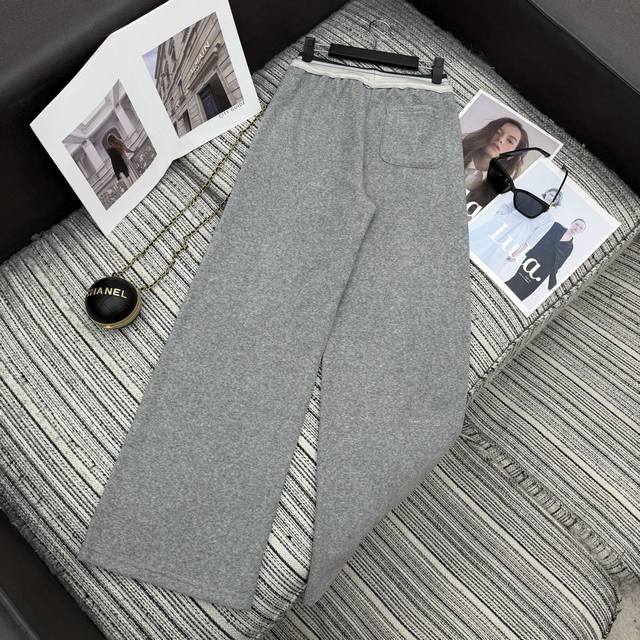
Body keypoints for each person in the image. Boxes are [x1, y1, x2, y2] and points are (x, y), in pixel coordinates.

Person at [469, 188, 565, 279]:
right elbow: (508, 206)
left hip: (516, 238)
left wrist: (519, 252)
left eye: (555, 198)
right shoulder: (529, 198)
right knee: (479, 246)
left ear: (556, 203)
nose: (552, 197)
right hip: (503, 225)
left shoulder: (549, 219)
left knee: (495, 260)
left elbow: (536, 237)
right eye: (551, 194)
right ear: (547, 193)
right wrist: (500, 215)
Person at [505, 218, 587, 300]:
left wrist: (551, 279)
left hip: (544, 270)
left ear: (581, 232)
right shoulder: (556, 226)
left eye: (581, 228)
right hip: (533, 259)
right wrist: (518, 254)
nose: (577, 228)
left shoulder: (570, 247)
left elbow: (559, 265)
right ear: (572, 223)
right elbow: (535, 238)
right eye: (576, 224)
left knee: (526, 290)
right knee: (516, 280)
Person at [463, 117, 529, 212]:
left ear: (512, 155)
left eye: (510, 141)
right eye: (497, 132)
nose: (500, 139)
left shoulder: (498, 194)